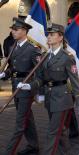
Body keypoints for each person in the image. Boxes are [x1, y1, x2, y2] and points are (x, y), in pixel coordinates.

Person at [17, 23, 79, 155]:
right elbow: (41, 79)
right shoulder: (44, 56)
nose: (48, 37)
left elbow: (75, 81)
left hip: (62, 98)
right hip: (50, 98)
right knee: (61, 131)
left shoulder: (67, 57)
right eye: (48, 34)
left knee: (52, 132)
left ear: (60, 37)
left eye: (52, 34)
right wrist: (30, 86)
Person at [0, 17, 40, 155]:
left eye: (16, 30)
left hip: (25, 88)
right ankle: (34, 145)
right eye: (13, 29)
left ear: (24, 31)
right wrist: (5, 74)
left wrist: (34, 88)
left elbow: (39, 73)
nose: (13, 32)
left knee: (20, 122)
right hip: (15, 86)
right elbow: (12, 68)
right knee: (27, 118)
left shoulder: (33, 49)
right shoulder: (13, 47)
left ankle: (9, 151)